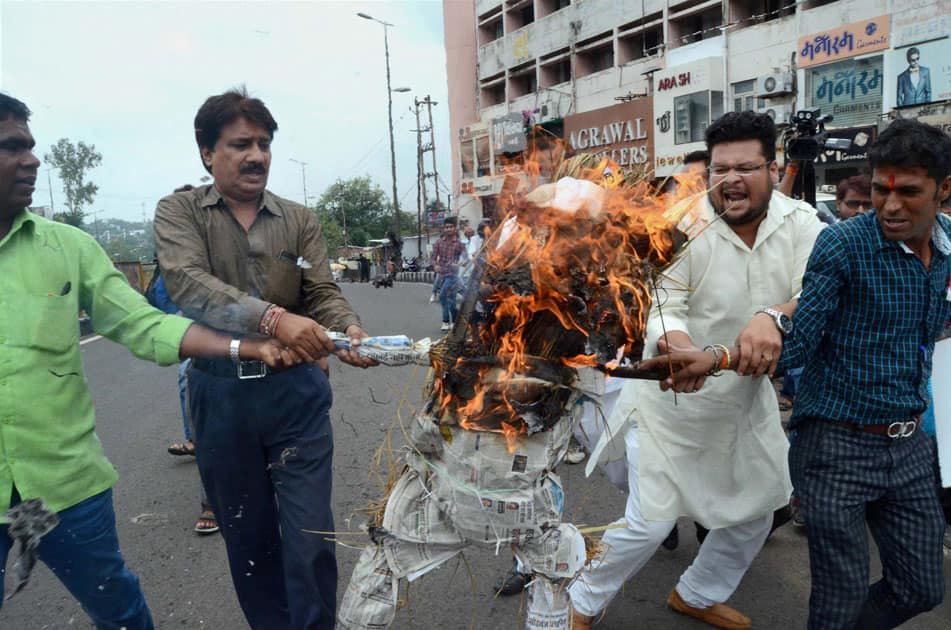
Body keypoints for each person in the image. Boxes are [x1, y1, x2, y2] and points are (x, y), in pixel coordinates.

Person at [0, 92, 292, 629]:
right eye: (11, 147)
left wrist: (248, 343)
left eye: (31, 146)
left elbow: (142, 322)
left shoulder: (68, 248)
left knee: (117, 607)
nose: (33, 160)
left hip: (63, 487)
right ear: (208, 153)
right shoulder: (180, 215)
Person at [647, 118, 951, 628]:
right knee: (839, 598)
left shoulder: (946, 250)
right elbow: (801, 337)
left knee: (922, 587)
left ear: (945, 191)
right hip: (836, 448)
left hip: (912, 448)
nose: (890, 207)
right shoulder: (843, 245)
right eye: (879, 191)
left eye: (910, 193)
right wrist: (719, 355)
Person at [571, 111, 824, 630]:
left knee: (762, 505)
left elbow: (815, 286)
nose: (731, 180)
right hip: (672, 402)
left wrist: (776, 317)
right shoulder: (683, 223)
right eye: (720, 169)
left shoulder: (802, 223)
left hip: (745, 400)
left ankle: (698, 592)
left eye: (746, 167)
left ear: (773, 169)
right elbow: (666, 300)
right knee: (651, 521)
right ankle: (579, 600)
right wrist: (680, 347)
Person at [154, 88, 375, 630]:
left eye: (264, 143)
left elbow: (319, 288)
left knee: (310, 538)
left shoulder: (298, 220)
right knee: (249, 542)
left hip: (294, 395)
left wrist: (345, 327)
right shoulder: (179, 212)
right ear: (207, 152)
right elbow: (189, 286)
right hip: (221, 396)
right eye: (240, 144)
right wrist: (274, 319)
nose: (256, 155)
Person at [431, 216, 466, 331]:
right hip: (442, 275)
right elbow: (433, 257)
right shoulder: (439, 243)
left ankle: (445, 321)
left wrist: (459, 263)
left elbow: (465, 258)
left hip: (453, 276)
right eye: (447, 227)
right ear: (444, 229)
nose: (449, 229)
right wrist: (435, 265)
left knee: (442, 296)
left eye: (451, 227)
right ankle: (455, 321)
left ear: (455, 228)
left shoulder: (459, 244)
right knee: (450, 300)